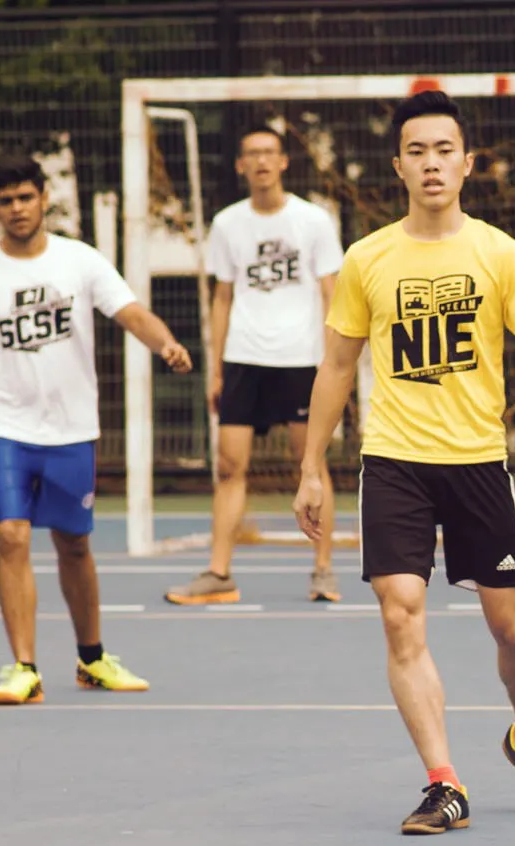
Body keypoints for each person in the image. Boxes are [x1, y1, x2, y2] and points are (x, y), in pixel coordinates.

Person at [292, 89, 515, 834]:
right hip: (393, 461)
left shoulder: (498, 252)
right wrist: (312, 466)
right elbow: (334, 365)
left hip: (479, 461)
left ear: (468, 163)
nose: (431, 164)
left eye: (444, 150)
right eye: (417, 151)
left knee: (512, 630)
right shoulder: (368, 258)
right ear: (398, 165)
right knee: (400, 614)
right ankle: (443, 781)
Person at [0, 157, 192, 704]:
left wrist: (165, 344)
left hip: (71, 429)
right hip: (4, 426)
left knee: (74, 544)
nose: (17, 209)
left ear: (43, 198)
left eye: (25, 198)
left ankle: (92, 659)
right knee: (12, 535)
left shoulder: (79, 261)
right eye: (6, 201)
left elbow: (129, 313)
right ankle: (23, 667)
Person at [166, 125, 345, 606]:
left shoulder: (313, 221)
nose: (262, 161)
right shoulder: (227, 224)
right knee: (228, 467)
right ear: (240, 165)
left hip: (301, 358)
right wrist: (218, 368)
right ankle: (219, 573)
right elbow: (222, 298)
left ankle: (323, 570)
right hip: (244, 358)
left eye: (270, 152)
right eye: (252, 154)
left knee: (310, 464)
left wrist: (334, 361)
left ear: (284, 162)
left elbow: (333, 293)